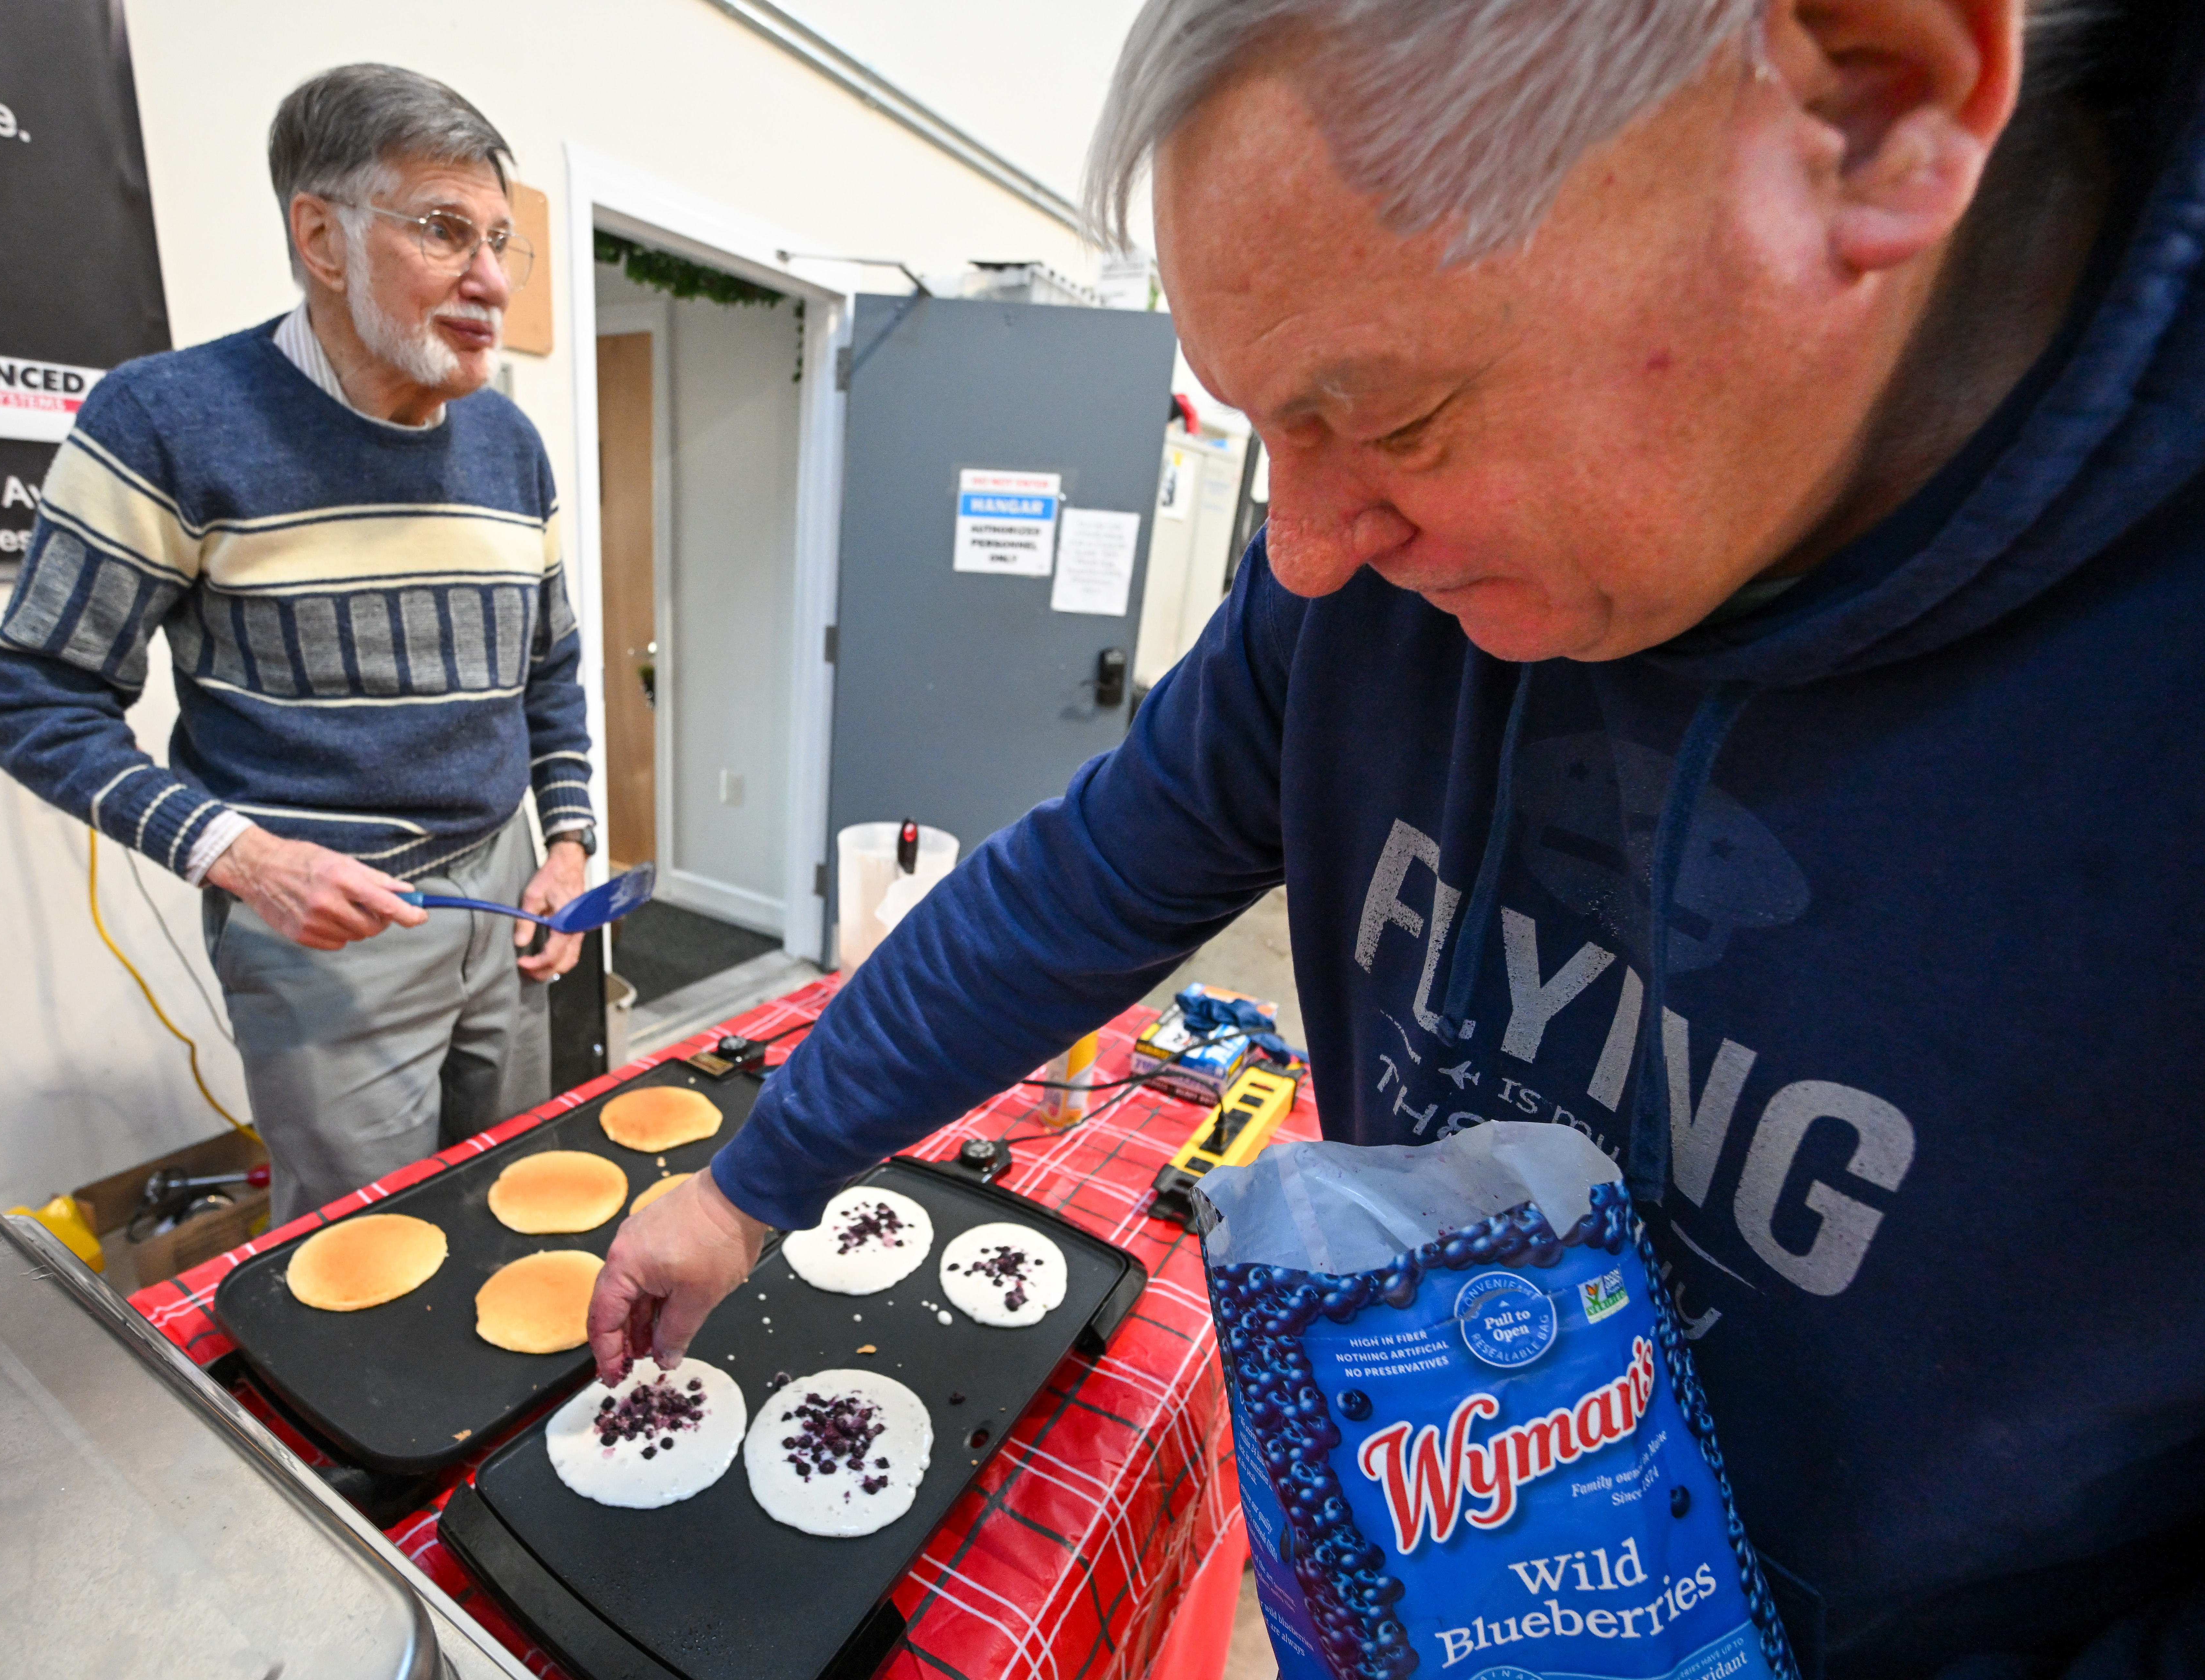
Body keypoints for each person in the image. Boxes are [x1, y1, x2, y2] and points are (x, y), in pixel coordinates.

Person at [594, 0, 2205, 1673]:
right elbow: (1089, 874)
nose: (1297, 553)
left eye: (1393, 418)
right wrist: (748, 1184)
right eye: (1267, 428)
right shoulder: (1360, 584)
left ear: (1872, 107)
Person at [0, 66, 594, 1222]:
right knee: (360, 1246)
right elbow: (33, 697)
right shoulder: (165, 421)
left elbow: (547, 667)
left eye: (501, 239)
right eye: (446, 232)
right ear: (322, 235)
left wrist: (566, 837)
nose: (494, 283)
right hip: (321, 928)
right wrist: (245, 860)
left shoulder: (512, 444)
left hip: (511, 903)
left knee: (515, 1194)